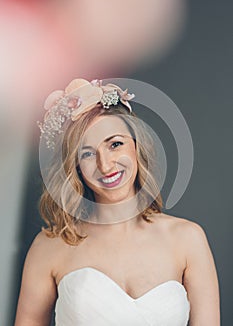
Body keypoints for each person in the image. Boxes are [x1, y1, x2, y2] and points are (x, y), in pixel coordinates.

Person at [15, 79, 220, 326]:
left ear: (135, 146)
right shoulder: (49, 247)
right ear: (76, 166)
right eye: (87, 153)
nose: (105, 165)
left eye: (115, 144)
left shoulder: (188, 239)